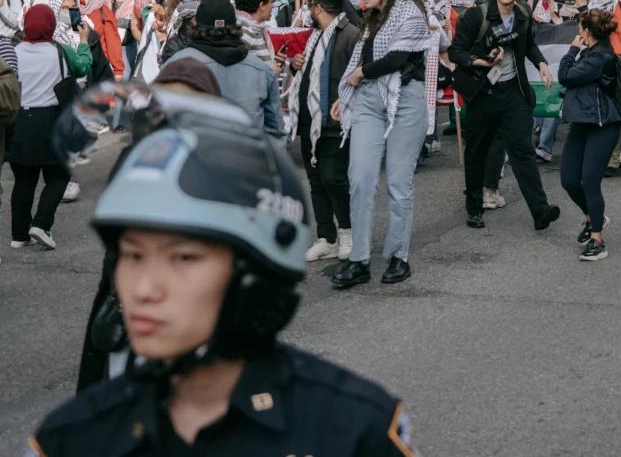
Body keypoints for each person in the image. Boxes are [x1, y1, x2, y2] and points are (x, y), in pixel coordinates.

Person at [32, 106, 418, 455]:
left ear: (254, 274)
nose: (143, 288)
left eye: (183, 258)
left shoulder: (353, 430)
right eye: (132, 255)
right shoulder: (72, 439)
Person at [329, 0, 430, 289]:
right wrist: (346, 93)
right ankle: (358, 260)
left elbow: (397, 58)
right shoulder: (370, 20)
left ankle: (398, 256)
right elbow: (359, 59)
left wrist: (359, 75)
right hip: (370, 100)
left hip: (405, 98)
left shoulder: (409, 14)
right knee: (359, 179)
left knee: (398, 183)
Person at [448, 0, 561, 231]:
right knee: (477, 152)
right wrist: (479, 61)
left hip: (513, 92)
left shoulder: (522, 14)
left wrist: (542, 63)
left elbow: (529, 44)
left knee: (522, 150)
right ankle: (475, 208)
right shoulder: (477, 16)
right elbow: (455, 52)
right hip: (482, 92)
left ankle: (540, 210)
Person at [287, 0, 361, 263]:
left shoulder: (349, 34)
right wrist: (297, 66)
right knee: (316, 180)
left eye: (308, 2)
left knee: (334, 178)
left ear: (317, 6)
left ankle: (347, 232)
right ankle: (326, 236)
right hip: (310, 121)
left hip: (334, 122)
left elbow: (355, 78)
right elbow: (312, 73)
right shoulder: (317, 34)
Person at [9, 5, 91, 252]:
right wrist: (84, 41)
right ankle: (41, 223)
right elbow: (83, 66)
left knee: (23, 180)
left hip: (19, 122)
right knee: (58, 175)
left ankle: (19, 234)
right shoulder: (60, 50)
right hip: (52, 120)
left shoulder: (13, 51)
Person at [557, 9, 621, 262]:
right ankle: (592, 216)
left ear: (586, 31)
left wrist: (572, 50)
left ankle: (597, 238)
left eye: (579, 29)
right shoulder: (592, 53)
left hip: (603, 125)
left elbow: (566, 75)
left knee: (589, 181)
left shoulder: (601, 57)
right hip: (582, 123)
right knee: (568, 179)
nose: (577, 33)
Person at [170, 0, 285, 138]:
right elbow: (276, 131)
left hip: (195, 156)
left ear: (195, 25)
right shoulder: (261, 71)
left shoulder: (176, 65)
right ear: (235, 27)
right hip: (247, 157)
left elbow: (160, 125)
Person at [233, 0, 277, 68]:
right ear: (262, 6)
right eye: (271, 2)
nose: (273, 6)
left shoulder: (254, 28)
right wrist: (270, 73)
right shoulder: (243, 31)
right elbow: (235, 69)